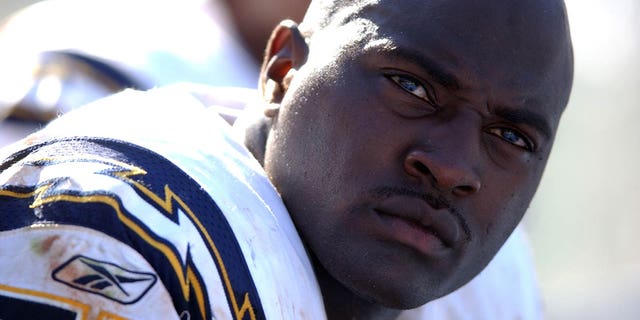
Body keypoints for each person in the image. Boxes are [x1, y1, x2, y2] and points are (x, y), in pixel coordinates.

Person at [0, 0, 574, 319]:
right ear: (282, 73)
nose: (453, 168)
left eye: (512, 137)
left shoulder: (491, 281)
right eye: (412, 88)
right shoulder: (126, 229)